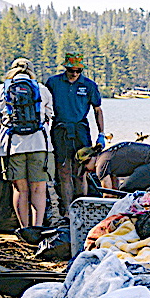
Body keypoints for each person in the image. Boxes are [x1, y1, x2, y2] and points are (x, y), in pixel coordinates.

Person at [0, 58, 54, 228]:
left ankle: (24, 228)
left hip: (11, 145)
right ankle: (38, 227)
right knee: (39, 189)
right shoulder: (41, 89)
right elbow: (48, 117)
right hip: (39, 144)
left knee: (20, 189)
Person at [45, 52, 105, 217]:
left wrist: (101, 133)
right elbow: (45, 106)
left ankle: (81, 209)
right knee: (63, 172)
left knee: (81, 172)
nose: (74, 74)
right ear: (66, 68)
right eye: (72, 70)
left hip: (80, 131)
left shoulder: (89, 85)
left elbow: (97, 110)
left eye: (78, 71)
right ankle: (67, 212)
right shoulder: (53, 82)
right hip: (60, 130)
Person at [75, 141, 150, 194]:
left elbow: (108, 193)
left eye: (86, 168)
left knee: (125, 190)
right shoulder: (106, 156)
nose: (88, 171)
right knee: (124, 191)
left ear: (89, 159)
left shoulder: (100, 164)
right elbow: (114, 188)